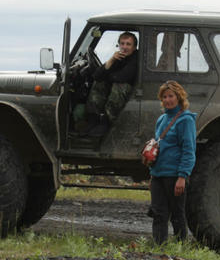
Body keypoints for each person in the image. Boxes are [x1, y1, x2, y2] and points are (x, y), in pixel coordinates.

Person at [149, 80, 197, 243]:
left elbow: (189, 151)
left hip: (175, 176)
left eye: (171, 96)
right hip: (158, 175)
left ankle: (180, 248)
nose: (167, 100)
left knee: (177, 214)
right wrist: (152, 174)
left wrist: (182, 176)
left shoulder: (186, 120)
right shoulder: (161, 119)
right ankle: (159, 247)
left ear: (179, 97)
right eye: (164, 97)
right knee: (158, 213)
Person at [81, 31, 139, 137]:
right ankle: (93, 120)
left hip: (134, 93)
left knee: (119, 86)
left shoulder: (136, 58)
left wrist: (108, 77)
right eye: (122, 43)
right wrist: (111, 60)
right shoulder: (119, 57)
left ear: (134, 47)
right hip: (118, 89)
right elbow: (97, 76)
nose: (124, 47)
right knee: (99, 83)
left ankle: (107, 123)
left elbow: (122, 77)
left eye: (128, 44)